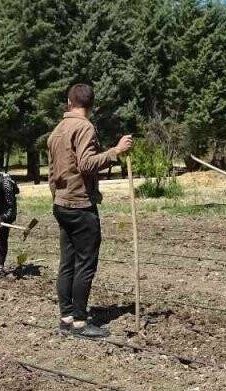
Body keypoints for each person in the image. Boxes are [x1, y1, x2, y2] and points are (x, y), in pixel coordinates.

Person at [46, 83, 132, 338]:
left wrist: (58, 196)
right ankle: (80, 322)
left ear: (69, 102)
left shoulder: (57, 130)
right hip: (80, 205)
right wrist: (116, 151)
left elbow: (52, 172)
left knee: (67, 263)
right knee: (85, 263)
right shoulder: (84, 127)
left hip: (61, 203)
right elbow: (86, 164)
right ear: (90, 104)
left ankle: (66, 317)